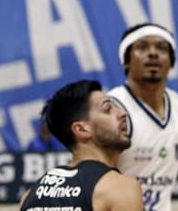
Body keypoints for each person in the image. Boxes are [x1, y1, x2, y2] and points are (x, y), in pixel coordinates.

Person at [19, 79, 143, 211]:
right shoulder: (120, 189)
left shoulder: (29, 196)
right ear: (81, 129)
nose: (123, 114)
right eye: (107, 109)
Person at [107, 23, 178, 211]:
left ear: (172, 61)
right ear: (126, 61)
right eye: (142, 47)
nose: (153, 53)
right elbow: (95, 183)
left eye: (162, 48)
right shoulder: (112, 109)